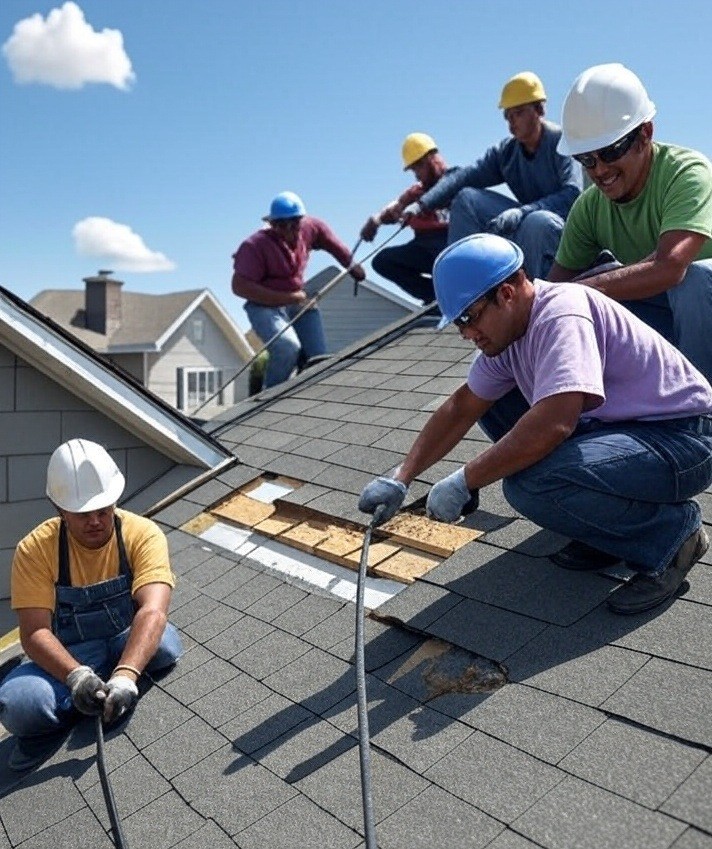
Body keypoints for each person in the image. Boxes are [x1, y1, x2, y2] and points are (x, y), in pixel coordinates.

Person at [359, 233, 712, 616]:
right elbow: (462, 407)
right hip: (626, 434)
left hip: (683, 440)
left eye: (469, 317)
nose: (466, 334)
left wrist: (465, 479)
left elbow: (555, 423)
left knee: (532, 484)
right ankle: (610, 529)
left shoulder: (561, 312)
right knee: (492, 405)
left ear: (507, 293)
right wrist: (402, 477)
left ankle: (673, 536)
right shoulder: (508, 335)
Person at [0, 439, 183, 771]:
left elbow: (153, 609)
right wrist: (76, 676)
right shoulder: (35, 550)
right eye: (83, 514)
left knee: (165, 644)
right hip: (69, 655)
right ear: (59, 509)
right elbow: (35, 632)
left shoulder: (143, 534)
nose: (97, 521)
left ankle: (110, 685)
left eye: (103, 510)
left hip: (122, 639)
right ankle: (87, 693)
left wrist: (127, 676)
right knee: (19, 706)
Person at [549, 63, 712, 383]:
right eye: (586, 159)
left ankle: (701, 416)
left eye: (610, 152)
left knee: (693, 280)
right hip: (668, 320)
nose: (599, 170)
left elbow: (670, 268)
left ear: (645, 134)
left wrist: (576, 293)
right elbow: (556, 286)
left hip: (704, 317)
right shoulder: (590, 208)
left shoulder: (687, 173)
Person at [407, 72, 581, 279]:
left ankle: (541, 298)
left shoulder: (562, 141)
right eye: (507, 116)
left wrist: (523, 211)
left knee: (538, 221)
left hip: (562, 231)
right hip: (527, 222)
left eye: (518, 113)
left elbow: (573, 194)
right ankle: (466, 283)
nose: (511, 123)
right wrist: (422, 204)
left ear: (539, 109)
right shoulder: (506, 152)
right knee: (467, 198)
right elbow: (464, 176)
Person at [231, 191, 366, 389]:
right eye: (280, 225)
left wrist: (352, 265)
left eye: (294, 223)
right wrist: (287, 297)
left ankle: (306, 394)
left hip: (297, 301)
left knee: (318, 359)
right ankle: (269, 399)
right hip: (264, 307)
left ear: (301, 221)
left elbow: (332, 243)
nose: (288, 230)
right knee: (287, 348)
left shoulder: (311, 228)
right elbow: (239, 286)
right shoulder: (255, 246)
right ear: (272, 224)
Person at [359, 133, 452, 303]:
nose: (416, 175)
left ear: (431, 159)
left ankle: (454, 291)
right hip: (423, 246)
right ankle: (435, 297)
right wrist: (376, 220)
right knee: (383, 261)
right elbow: (397, 205)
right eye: (413, 170)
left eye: (418, 168)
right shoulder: (416, 191)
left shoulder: (456, 181)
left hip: (451, 245)